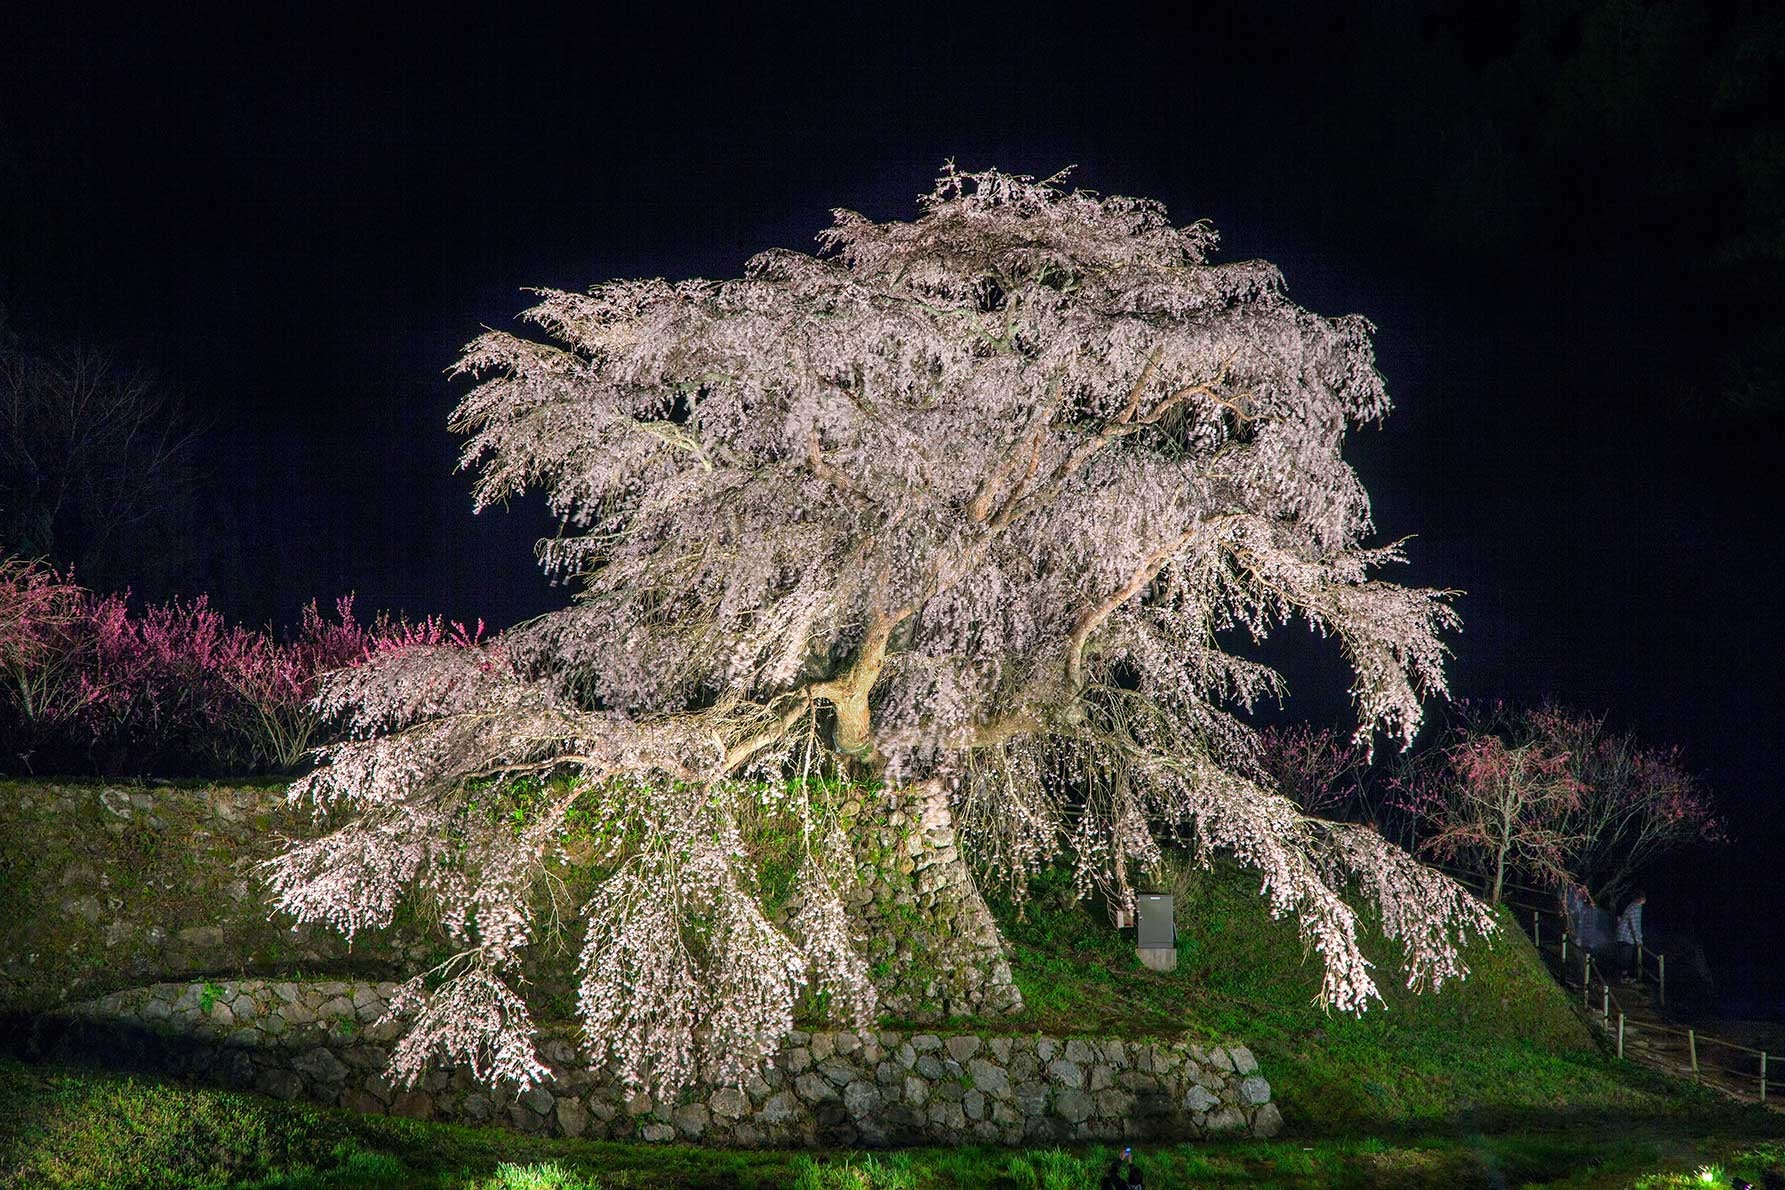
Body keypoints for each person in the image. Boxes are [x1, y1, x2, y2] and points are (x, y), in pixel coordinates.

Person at [1617, 890, 1647, 981]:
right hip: (1626, 937)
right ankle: (1624, 978)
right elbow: (1634, 925)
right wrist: (1638, 941)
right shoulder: (1636, 908)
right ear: (1641, 899)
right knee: (1626, 958)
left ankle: (1624, 976)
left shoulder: (1632, 906)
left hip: (1622, 935)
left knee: (1624, 957)